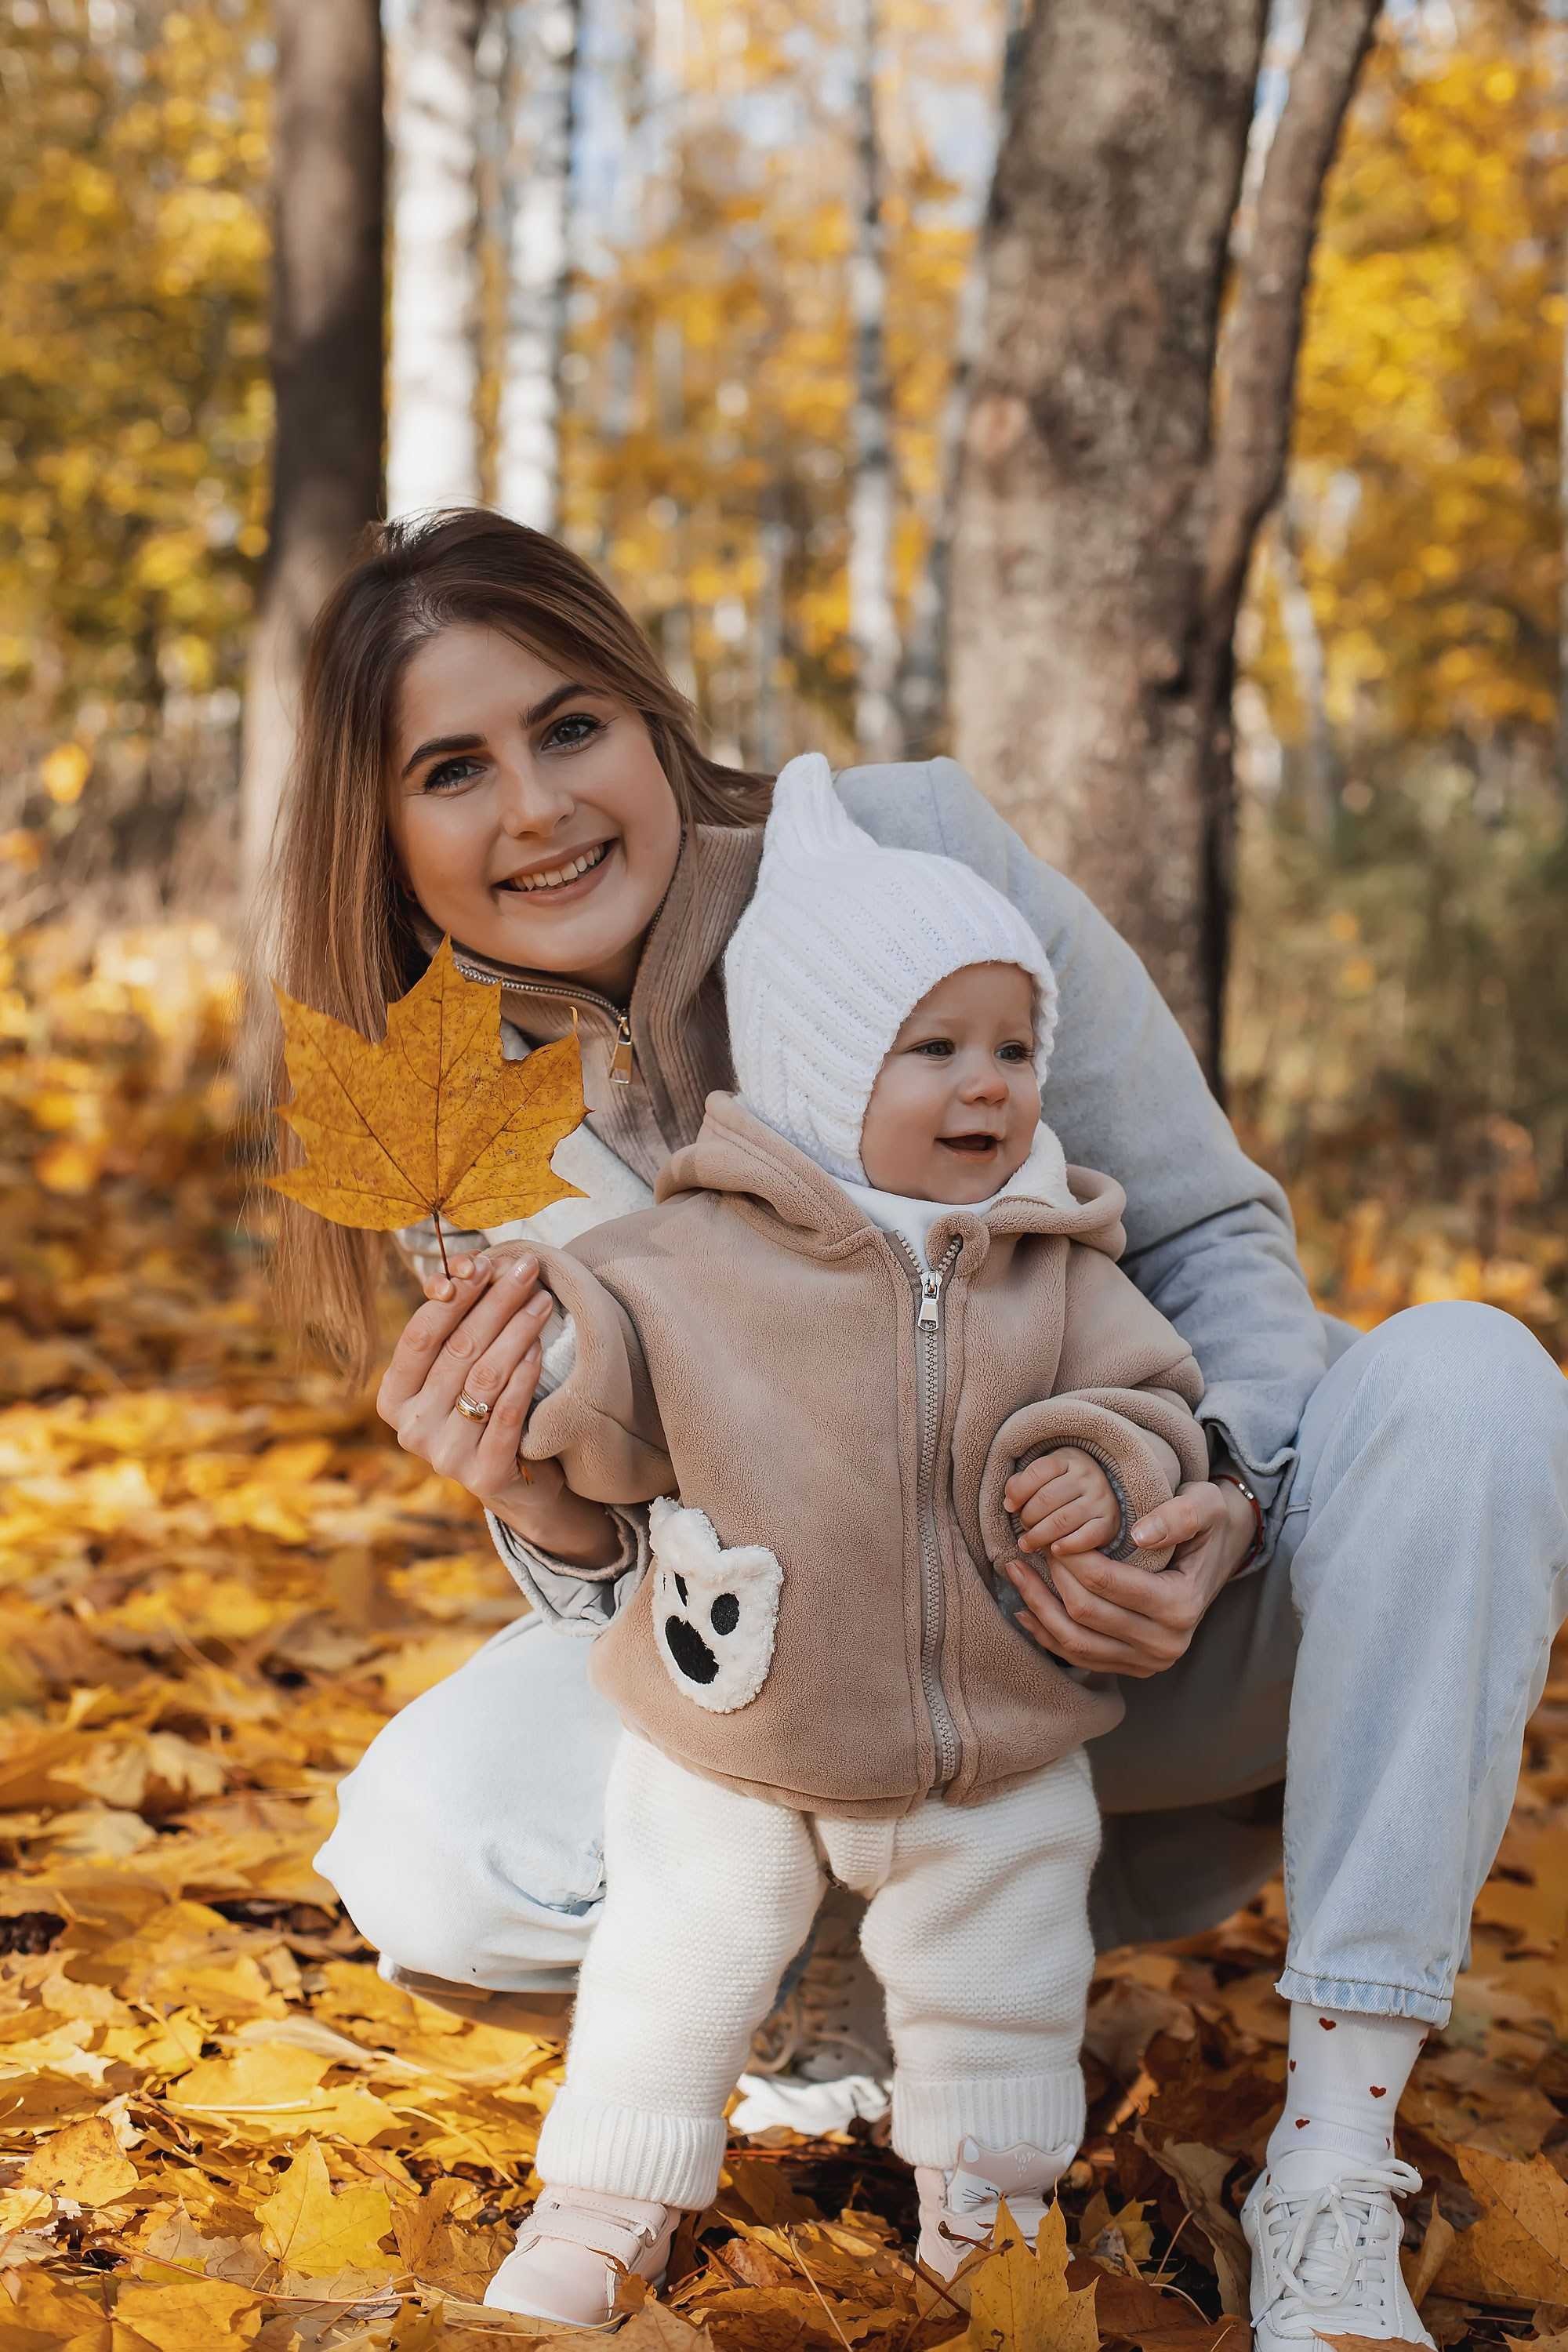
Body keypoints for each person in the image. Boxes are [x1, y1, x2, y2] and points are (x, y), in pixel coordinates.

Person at [268, 510, 1568, 2352]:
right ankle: (847, 2011)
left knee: (1472, 1377)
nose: (535, 808)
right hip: (795, 1709)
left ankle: (1334, 2162)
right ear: (385, 830)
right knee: (433, 1848)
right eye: (452, 770)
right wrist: (541, 1514)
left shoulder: (912, 854)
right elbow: (635, 1579)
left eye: (570, 728)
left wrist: (1207, 1490)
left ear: (649, 716)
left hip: (1116, 1636)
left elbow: (1201, 1229)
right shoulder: (448, 1110)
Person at [477, 757, 1209, 2321]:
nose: (986, 1084)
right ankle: (606, 2204)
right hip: (732, 1728)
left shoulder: (1056, 1256)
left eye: (1013, 1046)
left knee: (1001, 1985)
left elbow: (1156, 1398)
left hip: (988, 1738)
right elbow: (604, 1384)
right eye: (932, 1045)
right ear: (818, 1065)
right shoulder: (692, 1252)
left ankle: (989, 2217)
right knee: (669, 1974)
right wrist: (538, 1371)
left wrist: (1104, 1461)